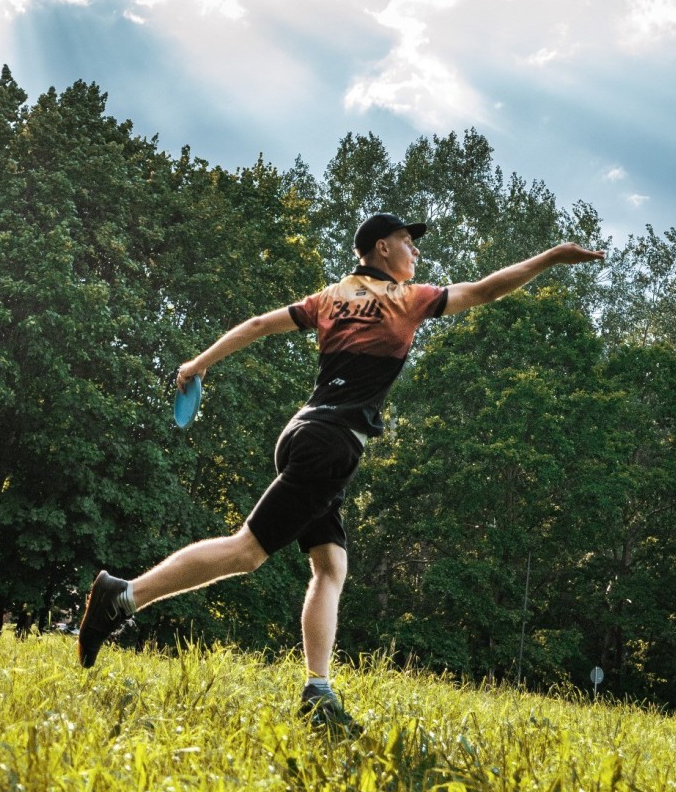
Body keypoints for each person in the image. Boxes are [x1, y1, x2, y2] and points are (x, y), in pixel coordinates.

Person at [76, 212, 604, 728]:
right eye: (407, 242)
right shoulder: (408, 300)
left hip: (301, 433)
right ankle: (123, 597)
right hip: (331, 447)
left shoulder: (329, 299)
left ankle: (318, 691)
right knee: (246, 551)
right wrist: (553, 257)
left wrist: (198, 364)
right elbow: (486, 290)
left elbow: (261, 325)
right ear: (381, 249)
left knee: (330, 568)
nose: (415, 252)